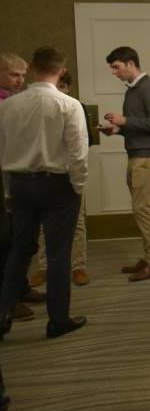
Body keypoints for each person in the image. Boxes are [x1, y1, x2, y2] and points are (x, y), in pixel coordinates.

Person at [0, 46, 88, 340]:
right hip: (58, 184)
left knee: (20, 249)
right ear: (61, 71)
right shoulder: (69, 105)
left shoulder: (8, 106)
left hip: (21, 184)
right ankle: (57, 320)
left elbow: (2, 151)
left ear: (34, 68)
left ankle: (3, 314)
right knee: (58, 253)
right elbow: (78, 153)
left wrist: (8, 190)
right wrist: (78, 186)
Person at [101, 46, 150, 282]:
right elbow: (142, 127)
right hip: (139, 155)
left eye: (117, 67)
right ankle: (149, 256)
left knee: (143, 210)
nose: (114, 72)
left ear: (130, 63)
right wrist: (118, 129)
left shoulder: (149, 88)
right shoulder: (133, 90)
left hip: (147, 158)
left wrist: (125, 120)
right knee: (141, 210)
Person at [32, 71, 90, 287]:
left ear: (69, 88)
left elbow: (85, 144)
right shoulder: (38, 109)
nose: (60, 91)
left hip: (71, 172)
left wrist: (79, 178)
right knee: (42, 224)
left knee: (78, 222)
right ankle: (44, 267)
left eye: (64, 87)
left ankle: (78, 266)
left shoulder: (76, 107)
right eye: (58, 86)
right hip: (45, 173)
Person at [0, 53, 46, 322]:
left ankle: (20, 288)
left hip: (19, 177)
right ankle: (8, 299)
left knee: (21, 238)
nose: (19, 80)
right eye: (14, 75)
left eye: (22, 75)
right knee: (6, 242)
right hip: (8, 177)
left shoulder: (15, 102)